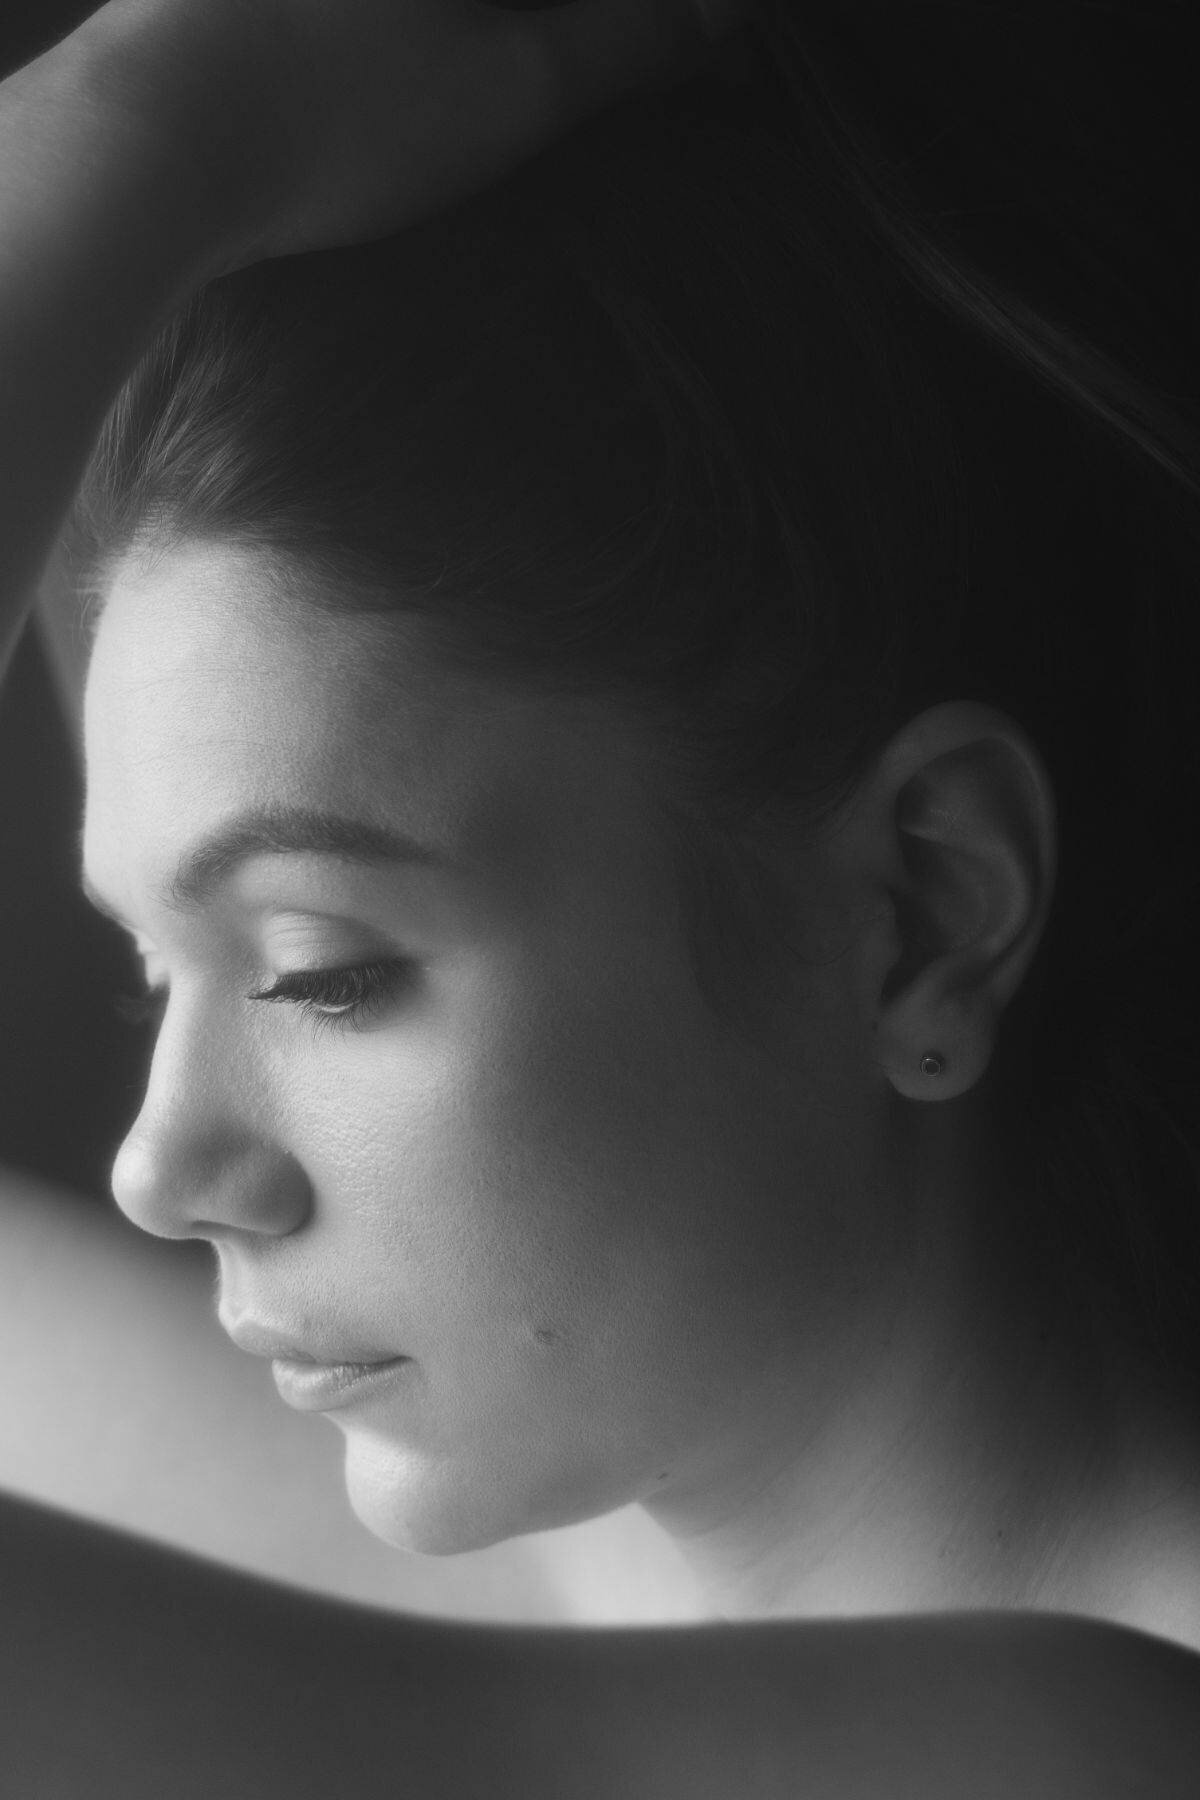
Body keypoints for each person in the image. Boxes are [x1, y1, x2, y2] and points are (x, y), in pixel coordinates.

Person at [2, 0, 1199, 1792]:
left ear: (924, 910)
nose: (163, 1170)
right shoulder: (500, 1563)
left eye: (322, 974)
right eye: (148, 972)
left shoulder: (1109, 1747)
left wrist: (166, 122)